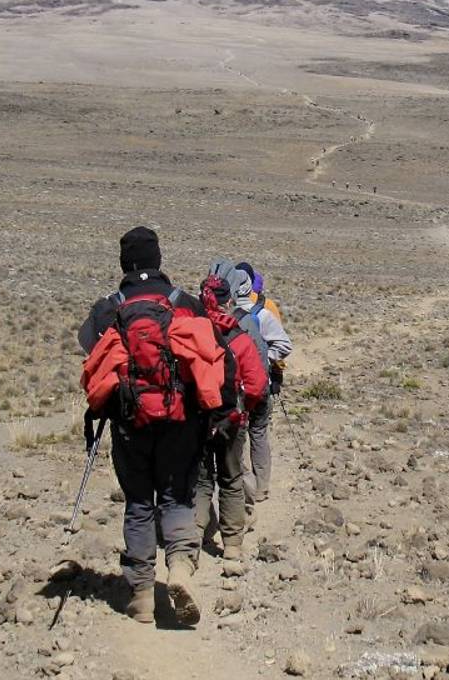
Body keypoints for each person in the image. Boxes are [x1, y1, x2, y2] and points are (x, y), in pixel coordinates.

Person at [77, 227, 231, 625]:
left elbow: (92, 354)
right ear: (159, 260)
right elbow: (220, 361)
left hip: (130, 423)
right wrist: (215, 414)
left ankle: (142, 595)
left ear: (124, 263)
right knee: (176, 497)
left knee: (140, 503)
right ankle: (179, 568)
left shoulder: (107, 309)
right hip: (181, 422)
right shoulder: (186, 305)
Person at [193, 273, 269, 559]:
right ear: (228, 301)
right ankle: (233, 545)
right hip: (232, 420)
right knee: (231, 479)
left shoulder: (190, 334)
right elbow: (257, 384)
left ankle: (194, 538)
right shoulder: (239, 338)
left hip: (199, 419)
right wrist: (243, 408)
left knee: (200, 480)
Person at [227, 266, 292, 516]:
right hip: (261, 383)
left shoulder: (232, 315)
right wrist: (267, 362)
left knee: (242, 434)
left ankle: (248, 488)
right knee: (259, 433)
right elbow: (284, 344)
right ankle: (260, 486)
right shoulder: (263, 312)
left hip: (241, 388)